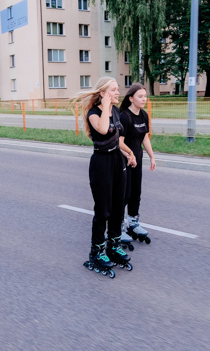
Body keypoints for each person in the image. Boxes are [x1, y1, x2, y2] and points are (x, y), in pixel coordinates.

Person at [72, 77, 136, 279]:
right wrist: (106, 106)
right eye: (114, 90)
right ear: (103, 93)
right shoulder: (94, 113)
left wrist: (129, 153)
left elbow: (117, 139)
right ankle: (96, 252)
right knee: (103, 211)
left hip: (117, 161)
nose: (119, 93)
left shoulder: (116, 111)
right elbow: (102, 129)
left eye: (118, 89)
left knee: (118, 207)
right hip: (101, 164)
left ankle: (113, 246)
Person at [119, 83, 156, 245]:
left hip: (137, 160)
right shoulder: (124, 117)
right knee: (124, 195)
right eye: (140, 96)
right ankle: (118, 226)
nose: (144, 99)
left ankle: (133, 223)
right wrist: (129, 155)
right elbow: (119, 142)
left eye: (145, 96)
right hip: (124, 161)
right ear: (131, 98)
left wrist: (152, 157)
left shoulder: (143, 115)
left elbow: (145, 138)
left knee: (136, 193)